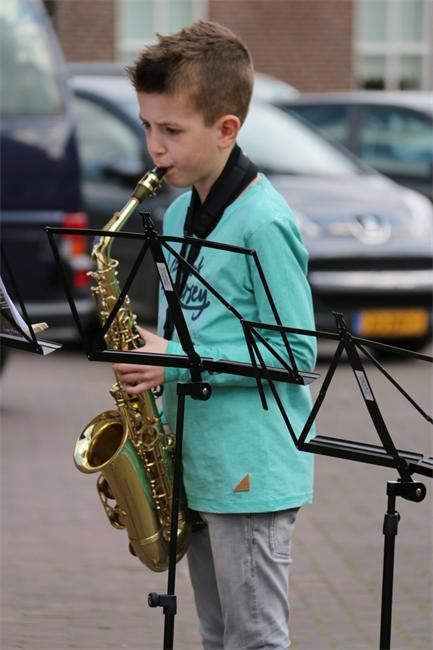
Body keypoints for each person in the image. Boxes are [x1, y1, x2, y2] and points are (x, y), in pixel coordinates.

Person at [114, 20, 317, 650]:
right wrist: (151, 351)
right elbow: (197, 327)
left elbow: (295, 353)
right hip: (195, 461)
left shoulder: (264, 222)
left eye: (172, 131)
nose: (155, 147)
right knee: (214, 634)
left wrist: (173, 359)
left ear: (227, 129)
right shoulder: (178, 213)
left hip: (249, 470)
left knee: (253, 639)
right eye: (147, 126)